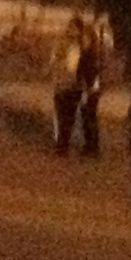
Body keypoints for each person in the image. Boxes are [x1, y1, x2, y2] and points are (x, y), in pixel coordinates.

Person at [51, 20, 86, 157]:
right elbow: (55, 62)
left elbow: (77, 67)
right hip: (63, 84)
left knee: (68, 117)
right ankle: (62, 145)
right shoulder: (62, 44)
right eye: (71, 28)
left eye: (75, 28)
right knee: (62, 116)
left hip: (73, 85)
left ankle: (63, 145)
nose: (73, 31)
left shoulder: (82, 45)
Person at [74, 17, 106, 159]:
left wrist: (89, 89)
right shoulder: (85, 54)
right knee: (86, 117)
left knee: (90, 117)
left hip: (91, 89)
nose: (83, 40)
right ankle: (89, 145)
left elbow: (94, 73)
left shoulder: (92, 55)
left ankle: (92, 147)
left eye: (86, 38)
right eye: (83, 38)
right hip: (86, 88)